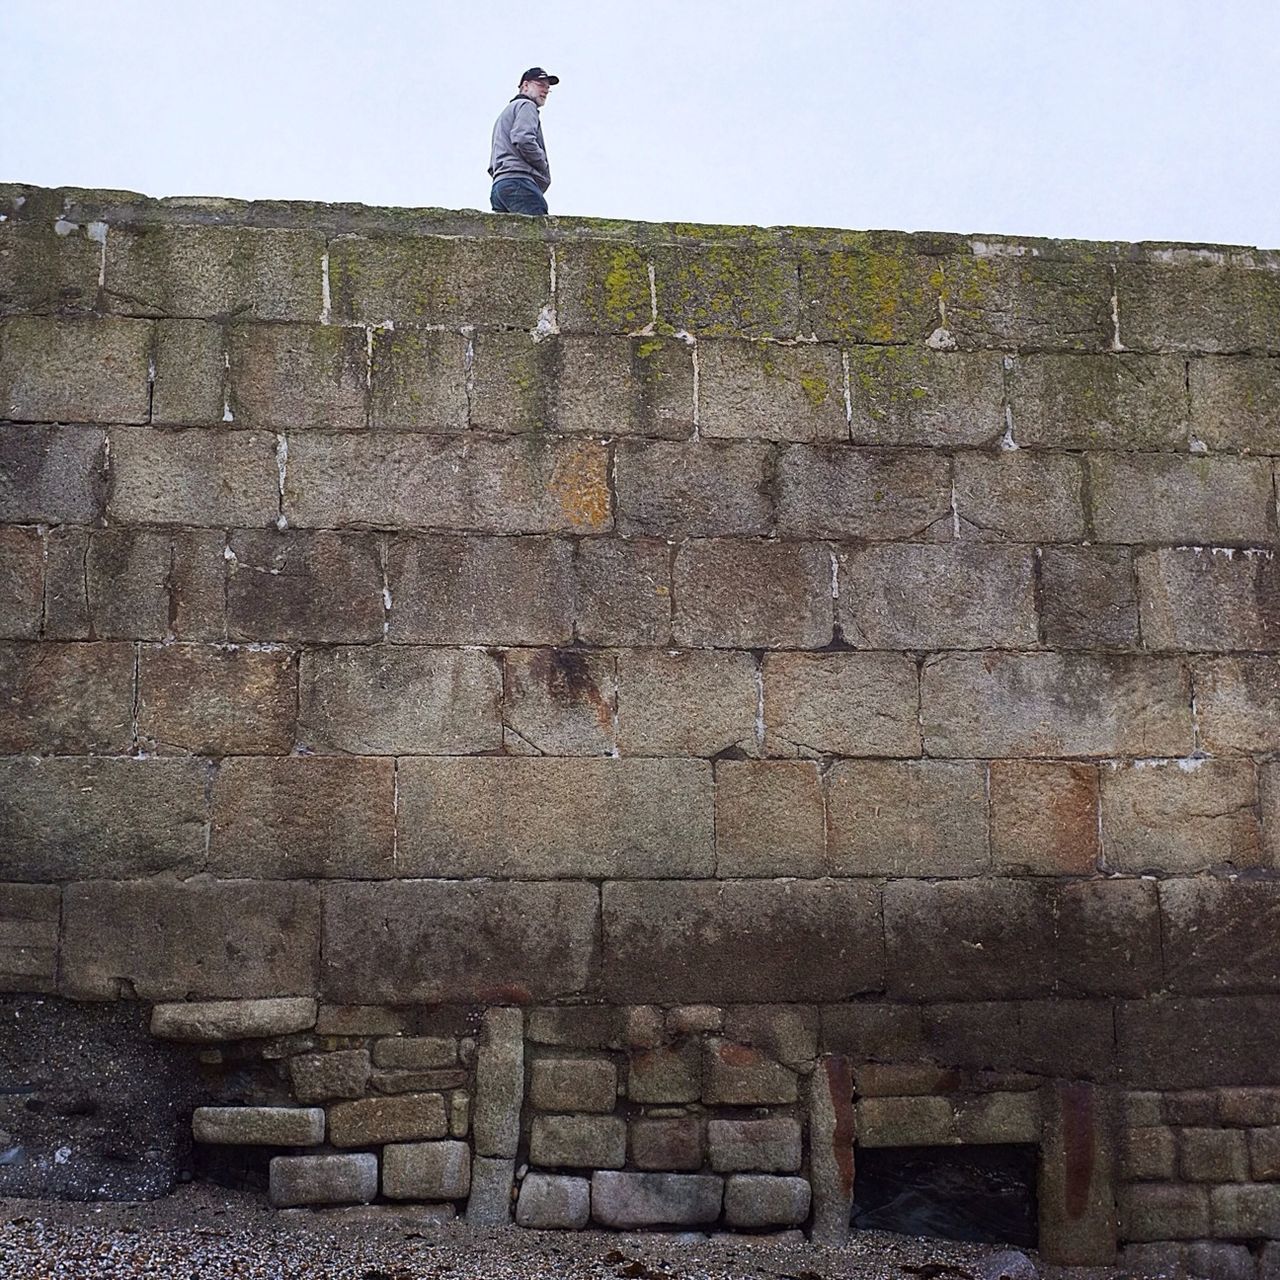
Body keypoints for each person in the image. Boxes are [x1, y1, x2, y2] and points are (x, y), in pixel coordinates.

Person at [489, 67, 558, 216]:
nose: (545, 90)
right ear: (525, 86)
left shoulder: (506, 113)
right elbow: (523, 139)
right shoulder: (526, 106)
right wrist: (543, 165)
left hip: (500, 186)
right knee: (539, 234)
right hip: (519, 183)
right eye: (540, 84)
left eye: (548, 88)